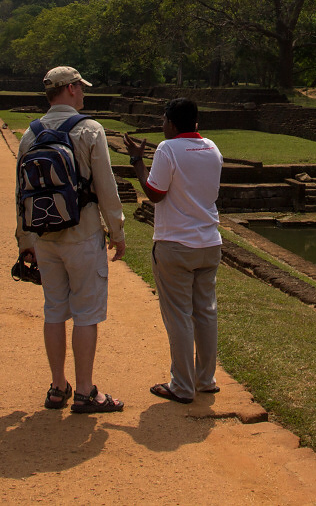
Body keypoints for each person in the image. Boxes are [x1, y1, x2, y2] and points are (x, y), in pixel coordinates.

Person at [16, 66, 126, 413]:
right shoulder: (89, 129)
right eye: (82, 87)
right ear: (73, 88)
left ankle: (57, 386)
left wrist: (24, 239)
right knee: (86, 313)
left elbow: (20, 192)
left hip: (45, 235)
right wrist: (117, 230)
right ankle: (85, 390)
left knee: (53, 311)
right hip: (82, 232)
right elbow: (106, 188)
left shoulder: (30, 134)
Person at [124, 98, 223, 403]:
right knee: (205, 312)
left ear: (170, 122)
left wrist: (138, 162)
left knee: (179, 315)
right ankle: (205, 379)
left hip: (176, 243)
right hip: (209, 242)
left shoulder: (168, 149)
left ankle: (182, 385)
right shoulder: (212, 148)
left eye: (163, 120)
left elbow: (155, 194)